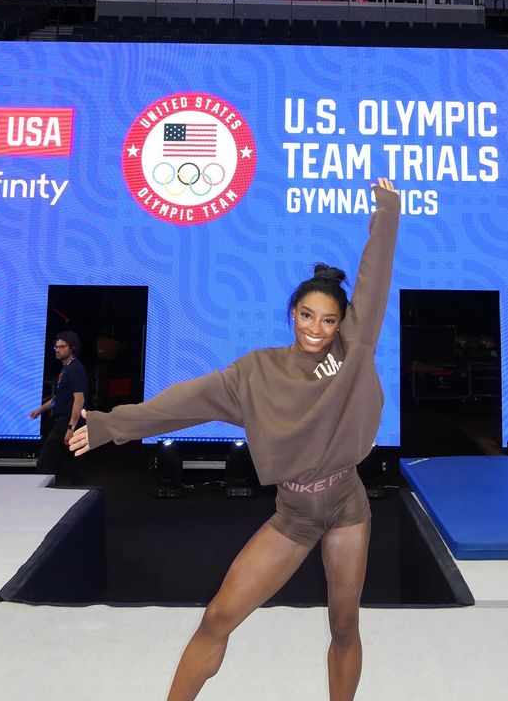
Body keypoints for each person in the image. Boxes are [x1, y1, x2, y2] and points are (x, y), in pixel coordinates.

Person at [69, 178, 400, 701]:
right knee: (218, 616)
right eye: (306, 315)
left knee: (343, 625)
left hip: (347, 503)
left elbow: (374, 278)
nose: (316, 328)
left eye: (328, 320)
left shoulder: (352, 352)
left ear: (342, 325)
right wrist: (112, 425)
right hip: (294, 513)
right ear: (292, 314)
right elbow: (182, 403)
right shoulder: (256, 374)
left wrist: (387, 211)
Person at [32, 330, 87, 484]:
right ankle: (78, 488)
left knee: (46, 460)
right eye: (56, 347)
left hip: (68, 421)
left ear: (72, 348)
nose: (57, 350)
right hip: (64, 419)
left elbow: (79, 400)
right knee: (73, 462)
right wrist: (40, 410)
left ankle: (41, 489)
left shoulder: (75, 370)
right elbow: (58, 398)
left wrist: (71, 428)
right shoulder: (66, 369)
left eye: (62, 347)